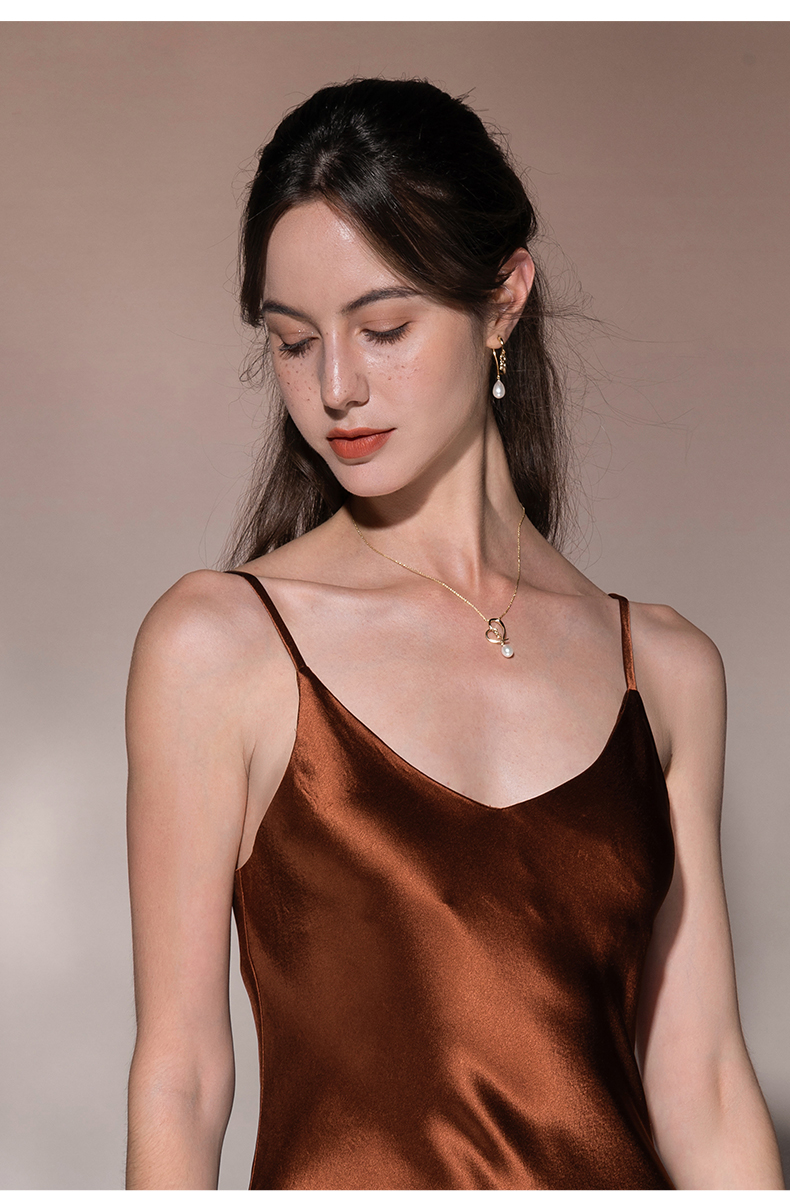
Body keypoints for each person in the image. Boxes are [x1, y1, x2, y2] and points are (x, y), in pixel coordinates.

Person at [124, 78, 784, 1190]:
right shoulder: (219, 646)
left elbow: (707, 1086)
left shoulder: (665, 670)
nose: (337, 387)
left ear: (503, 299)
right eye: (292, 343)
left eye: (384, 328)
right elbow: (181, 1079)